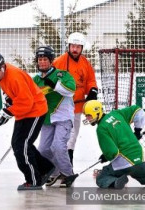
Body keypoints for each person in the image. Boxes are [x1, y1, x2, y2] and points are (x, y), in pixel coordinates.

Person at [0, 52, 54, 190]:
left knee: (22, 145)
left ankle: (33, 180)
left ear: (2, 67)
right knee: (19, 143)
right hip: (24, 112)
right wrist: (3, 115)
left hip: (35, 110)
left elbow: (26, 102)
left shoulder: (14, 77)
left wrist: (9, 112)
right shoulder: (2, 78)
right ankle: (46, 168)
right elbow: (12, 97)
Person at [82, 100, 145, 189]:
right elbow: (138, 110)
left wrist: (105, 156)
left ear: (97, 112)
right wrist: (137, 131)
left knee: (102, 176)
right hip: (139, 158)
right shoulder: (117, 114)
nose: (88, 118)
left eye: (89, 115)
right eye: (86, 116)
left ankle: (116, 182)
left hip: (124, 162)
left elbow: (113, 152)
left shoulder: (101, 129)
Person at [33, 46, 76, 187]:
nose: (42, 62)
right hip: (46, 119)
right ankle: (54, 172)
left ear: (51, 61)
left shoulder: (62, 75)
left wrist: (55, 84)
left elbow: (71, 91)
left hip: (63, 118)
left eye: (45, 59)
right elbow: (29, 96)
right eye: (40, 59)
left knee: (58, 146)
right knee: (43, 150)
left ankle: (68, 174)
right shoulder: (35, 80)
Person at [53, 32, 98, 166]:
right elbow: (52, 79)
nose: (75, 49)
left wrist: (92, 91)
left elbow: (90, 80)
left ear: (82, 48)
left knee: (72, 138)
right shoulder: (59, 62)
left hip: (78, 107)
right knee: (61, 138)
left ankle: (67, 167)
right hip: (61, 107)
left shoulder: (85, 63)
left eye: (78, 47)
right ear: (69, 46)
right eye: (73, 46)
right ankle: (57, 166)